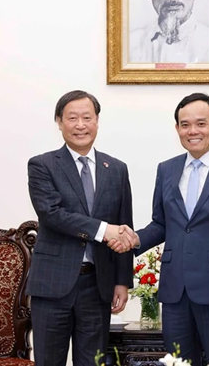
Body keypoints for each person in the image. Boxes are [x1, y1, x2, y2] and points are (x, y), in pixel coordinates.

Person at [110, 93, 209, 366]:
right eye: (185, 124)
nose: (193, 131)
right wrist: (134, 239)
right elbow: (161, 224)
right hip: (175, 291)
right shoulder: (167, 169)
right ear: (177, 128)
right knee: (178, 363)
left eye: (201, 123)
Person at [26, 90, 134, 366]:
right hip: (52, 284)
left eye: (87, 118)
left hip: (97, 285)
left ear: (97, 121)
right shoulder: (42, 165)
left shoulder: (117, 169)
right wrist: (103, 230)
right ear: (59, 122)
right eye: (72, 118)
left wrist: (122, 281)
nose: (80, 125)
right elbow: (52, 214)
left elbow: (124, 224)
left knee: (93, 362)